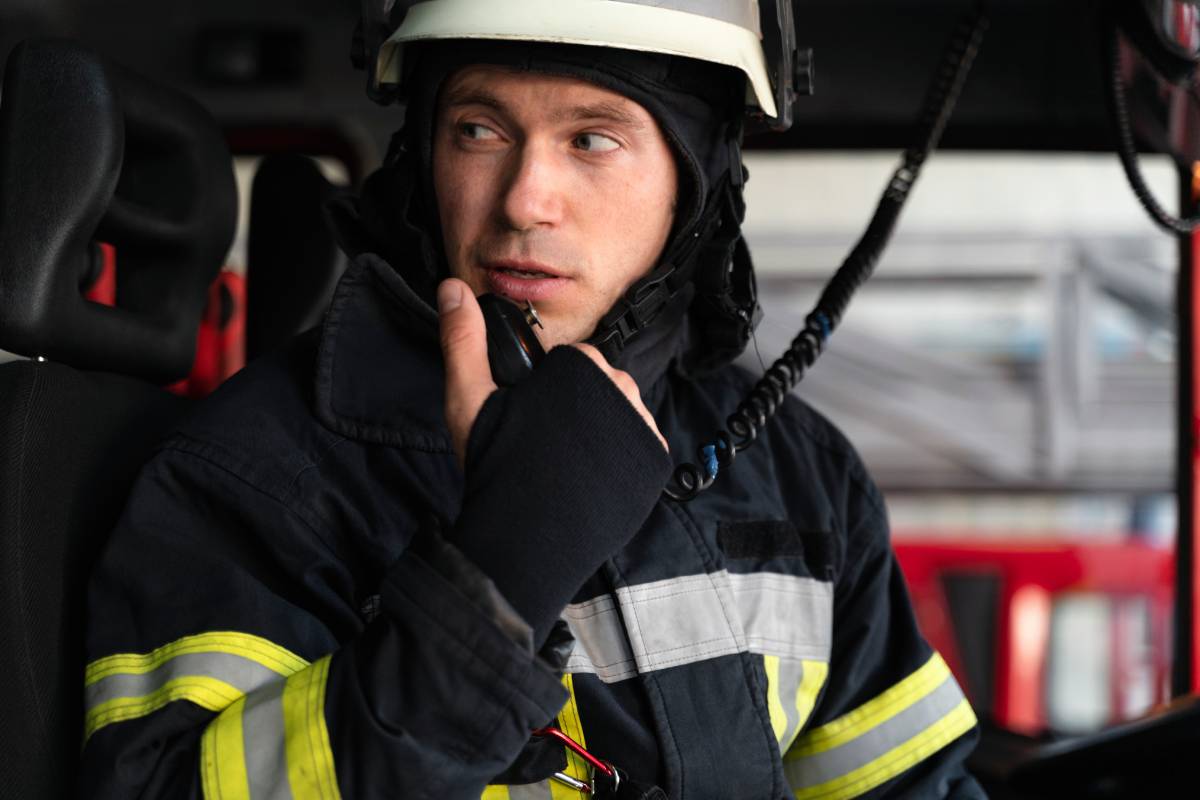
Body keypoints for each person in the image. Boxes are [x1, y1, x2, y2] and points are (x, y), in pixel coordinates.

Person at [79, 1, 986, 797]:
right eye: (479, 128)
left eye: (593, 138)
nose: (523, 200)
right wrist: (492, 586)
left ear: (695, 185)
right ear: (424, 156)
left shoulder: (799, 474)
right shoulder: (256, 476)